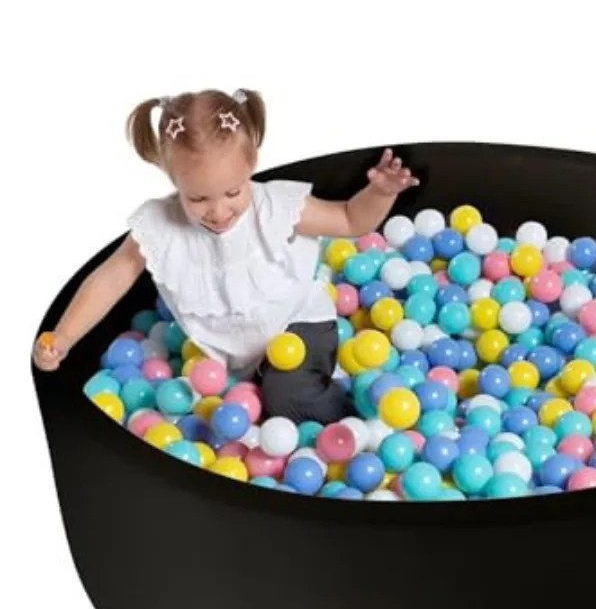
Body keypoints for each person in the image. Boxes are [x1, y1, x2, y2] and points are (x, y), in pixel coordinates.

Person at [32, 87, 419, 424]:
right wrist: (63, 336)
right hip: (230, 359)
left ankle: (354, 423)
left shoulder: (273, 208)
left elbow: (349, 218)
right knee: (216, 407)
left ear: (251, 166)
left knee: (285, 395)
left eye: (233, 192)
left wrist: (380, 193)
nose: (218, 212)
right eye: (198, 198)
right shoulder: (160, 226)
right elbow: (112, 277)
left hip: (298, 324)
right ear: (173, 178)